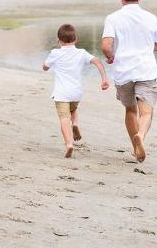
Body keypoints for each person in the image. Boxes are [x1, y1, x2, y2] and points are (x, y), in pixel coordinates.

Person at [101, 0, 157, 163]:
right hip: (146, 70)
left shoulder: (113, 18)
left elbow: (106, 46)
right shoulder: (150, 17)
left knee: (130, 110)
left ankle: (135, 145)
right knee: (146, 112)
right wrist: (145, 47)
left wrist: (111, 56)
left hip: (124, 72)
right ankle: (141, 136)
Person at [43, 24, 110, 158]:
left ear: (59, 41)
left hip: (62, 93)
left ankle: (69, 144)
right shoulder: (82, 53)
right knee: (73, 110)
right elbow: (97, 61)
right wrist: (104, 79)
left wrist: (48, 64)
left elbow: (45, 67)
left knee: (64, 117)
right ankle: (75, 123)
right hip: (76, 93)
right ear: (76, 39)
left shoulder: (55, 53)